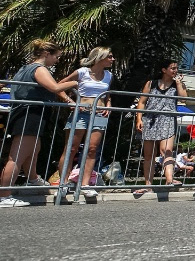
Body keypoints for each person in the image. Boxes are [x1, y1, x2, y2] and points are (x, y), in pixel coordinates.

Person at [1, 40, 77, 207]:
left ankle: (33, 179)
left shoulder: (23, 68)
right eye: (56, 56)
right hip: (30, 114)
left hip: (28, 113)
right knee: (18, 156)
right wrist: (75, 82)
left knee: (33, 151)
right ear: (46, 54)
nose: (57, 60)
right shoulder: (39, 69)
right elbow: (55, 88)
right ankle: (4, 195)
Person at [58, 47, 115, 200]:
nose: (112, 59)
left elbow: (107, 94)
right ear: (100, 57)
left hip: (99, 114)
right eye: (109, 56)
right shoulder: (82, 72)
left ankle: (85, 184)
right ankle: (63, 183)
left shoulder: (109, 75)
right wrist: (70, 101)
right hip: (80, 113)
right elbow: (59, 87)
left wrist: (108, 105)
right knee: (71, 148)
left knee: (92, 149)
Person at [133, 61, 188, 196]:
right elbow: (142, 101)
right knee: (149, 154)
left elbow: (184, 98)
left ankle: (169, 180)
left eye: (176, 68)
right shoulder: (151, 83)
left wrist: (179, 83)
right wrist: (139, 119)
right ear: (164, 69)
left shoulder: (176, 84)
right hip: (150, 119)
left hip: (168, 119)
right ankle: (148, 184)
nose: (175, 70)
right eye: (172, 68)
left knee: (166, 150)